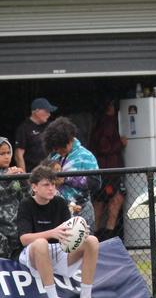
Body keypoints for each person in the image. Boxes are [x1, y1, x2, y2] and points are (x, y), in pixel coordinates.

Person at [16, 164, 99, 298]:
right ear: (34, 187)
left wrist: (80, 233)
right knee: (41, 243)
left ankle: (86, 295)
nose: (51, 188)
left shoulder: (60, 202)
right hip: (34, 253)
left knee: (92, 241)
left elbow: (68, 236)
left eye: (53, 185)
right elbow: (24, 239)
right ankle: (52, 296)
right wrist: (52, 232)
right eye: (46, 185)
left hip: (59, 250)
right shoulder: (26, 204)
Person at [43, 117, 100, 231]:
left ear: (69, 140)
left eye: (60, 147)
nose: (58, 150)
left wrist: (66, 179)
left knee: (84, 245)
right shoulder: (55, 156)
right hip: (56, 211)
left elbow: (96, 183)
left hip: (81, 210)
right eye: (55, 147)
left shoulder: (86, 156)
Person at [90, 99, 128, 241]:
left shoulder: (101, 123)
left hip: (106, 171)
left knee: (104, 201)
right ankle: (105, 233)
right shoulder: (107, 123)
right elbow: (103, 147)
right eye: (113, 105)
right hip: (108, 172)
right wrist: (120, 143)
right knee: (112, 199)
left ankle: (98, 233)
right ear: (108, 108)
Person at [0, 137, 26, 259]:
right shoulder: (8, 175)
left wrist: (24, 180)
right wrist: (5, 180)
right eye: (2, 153)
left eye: (8, 153)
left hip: (17, 233)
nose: (6, 156)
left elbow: (27, 198)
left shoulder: (14, 173)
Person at [14, 98, 57, 172]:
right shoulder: (24, 128)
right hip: (32, 172)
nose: (49, 114)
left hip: (50, 170)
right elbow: (18, 154)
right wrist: (24, 176)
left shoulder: (50, 126)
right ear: (37, 111)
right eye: (47, 111)